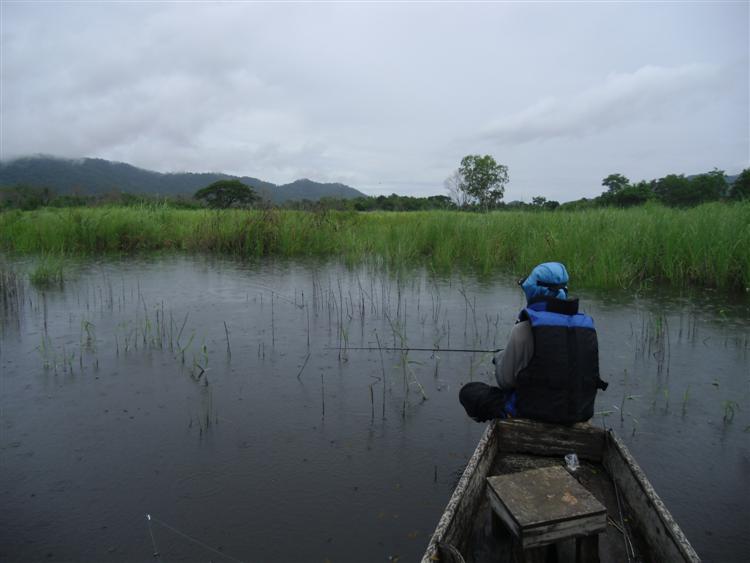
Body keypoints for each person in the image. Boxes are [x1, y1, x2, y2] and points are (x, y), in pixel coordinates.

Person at [459, 262, 607, 424]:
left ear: (534, 291)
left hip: (532, 412)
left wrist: (500, 358)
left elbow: (505, 381)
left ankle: (509, 422)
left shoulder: (524, 328)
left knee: (469, 392)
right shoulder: (587, 326)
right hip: (580, 413)